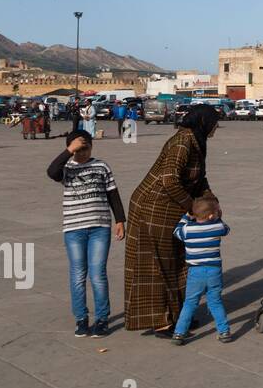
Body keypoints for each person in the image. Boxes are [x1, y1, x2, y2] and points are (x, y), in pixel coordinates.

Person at [125, 106, 221, 335]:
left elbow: (199, 178)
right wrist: (194, 207)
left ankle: (178, 314)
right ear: (204, 122)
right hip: (154, 207)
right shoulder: (182, 142)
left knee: (177, 262)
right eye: (214, 122)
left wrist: (211, 201)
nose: (216, 127)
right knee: (159, 265)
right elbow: (169, 180)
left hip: (170, 208)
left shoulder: (196, 141)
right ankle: (162, 321)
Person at [45, 129, 125, 338]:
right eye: (77, 150)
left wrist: (120, 220)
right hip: (74, 228)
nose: (81, 154)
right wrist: (68, 151)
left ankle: (102, 318)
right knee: (78, 274)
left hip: (100, 227)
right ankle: (81, 318)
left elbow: (113, 194)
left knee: (98, 274)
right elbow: (51, 172)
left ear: (92, 147)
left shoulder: (101, 166)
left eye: (85, 149)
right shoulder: (66, 168)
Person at [171, 195, 232, 344]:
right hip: (214, 271)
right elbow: (226, 229)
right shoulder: (217, 226)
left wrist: (186, 217)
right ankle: (224, 331)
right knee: (215, 301)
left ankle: (179, 333)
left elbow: (176, 231)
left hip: (195, 272)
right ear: (212, 215)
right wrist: (219, 218)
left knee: (190, 302)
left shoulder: (187, 230)